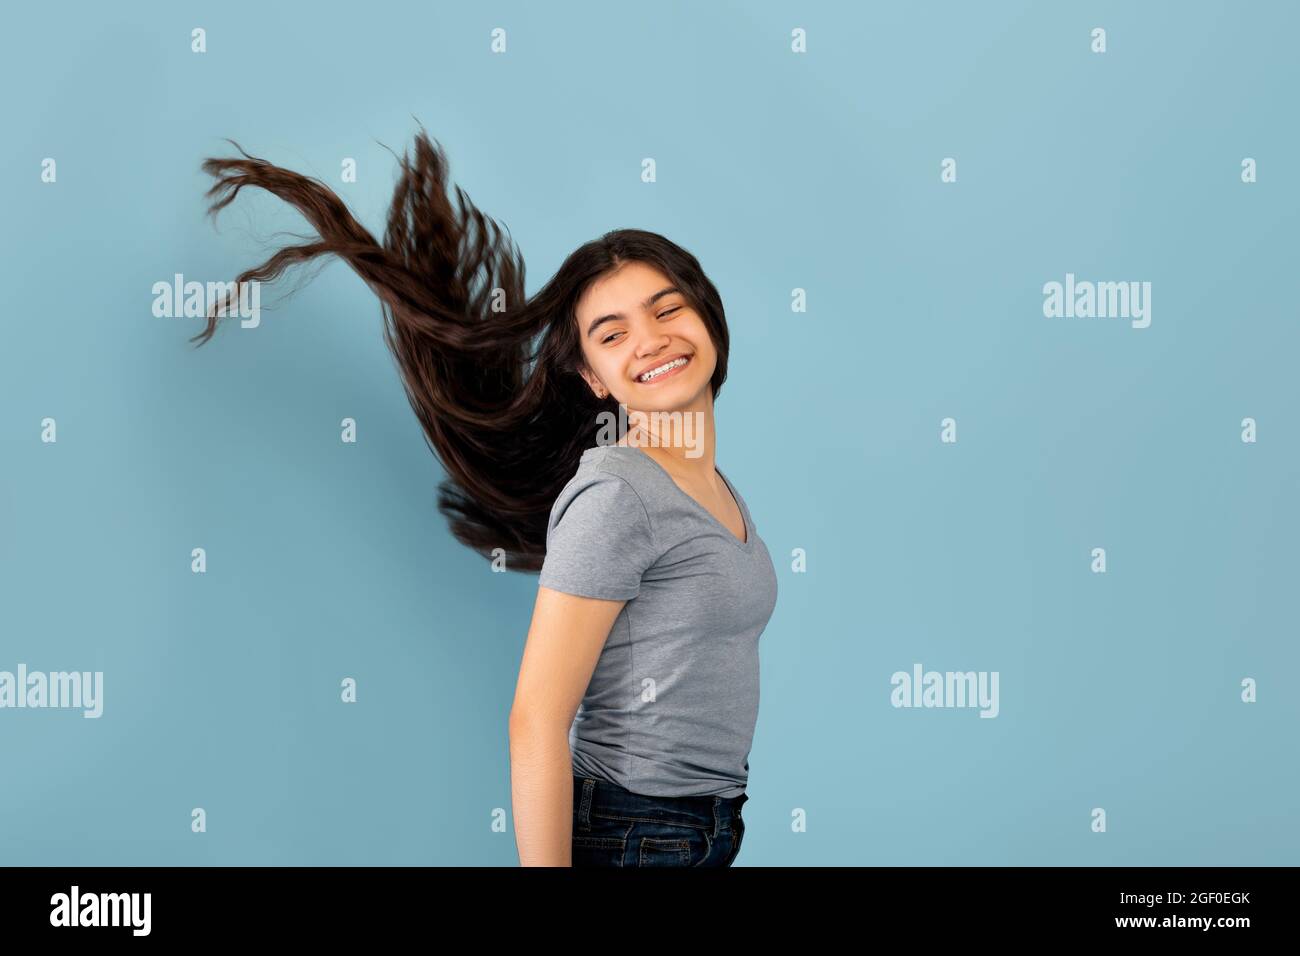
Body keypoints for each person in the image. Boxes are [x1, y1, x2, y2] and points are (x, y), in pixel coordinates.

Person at [193, 128, 778, 866]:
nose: (651, 340)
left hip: (704, 829)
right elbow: (535, 718)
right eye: (612, 332)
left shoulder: (710, 485)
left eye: (667, 310)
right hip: (638, 834)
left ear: (708, 317)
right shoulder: (617, 495)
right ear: (594, 378)